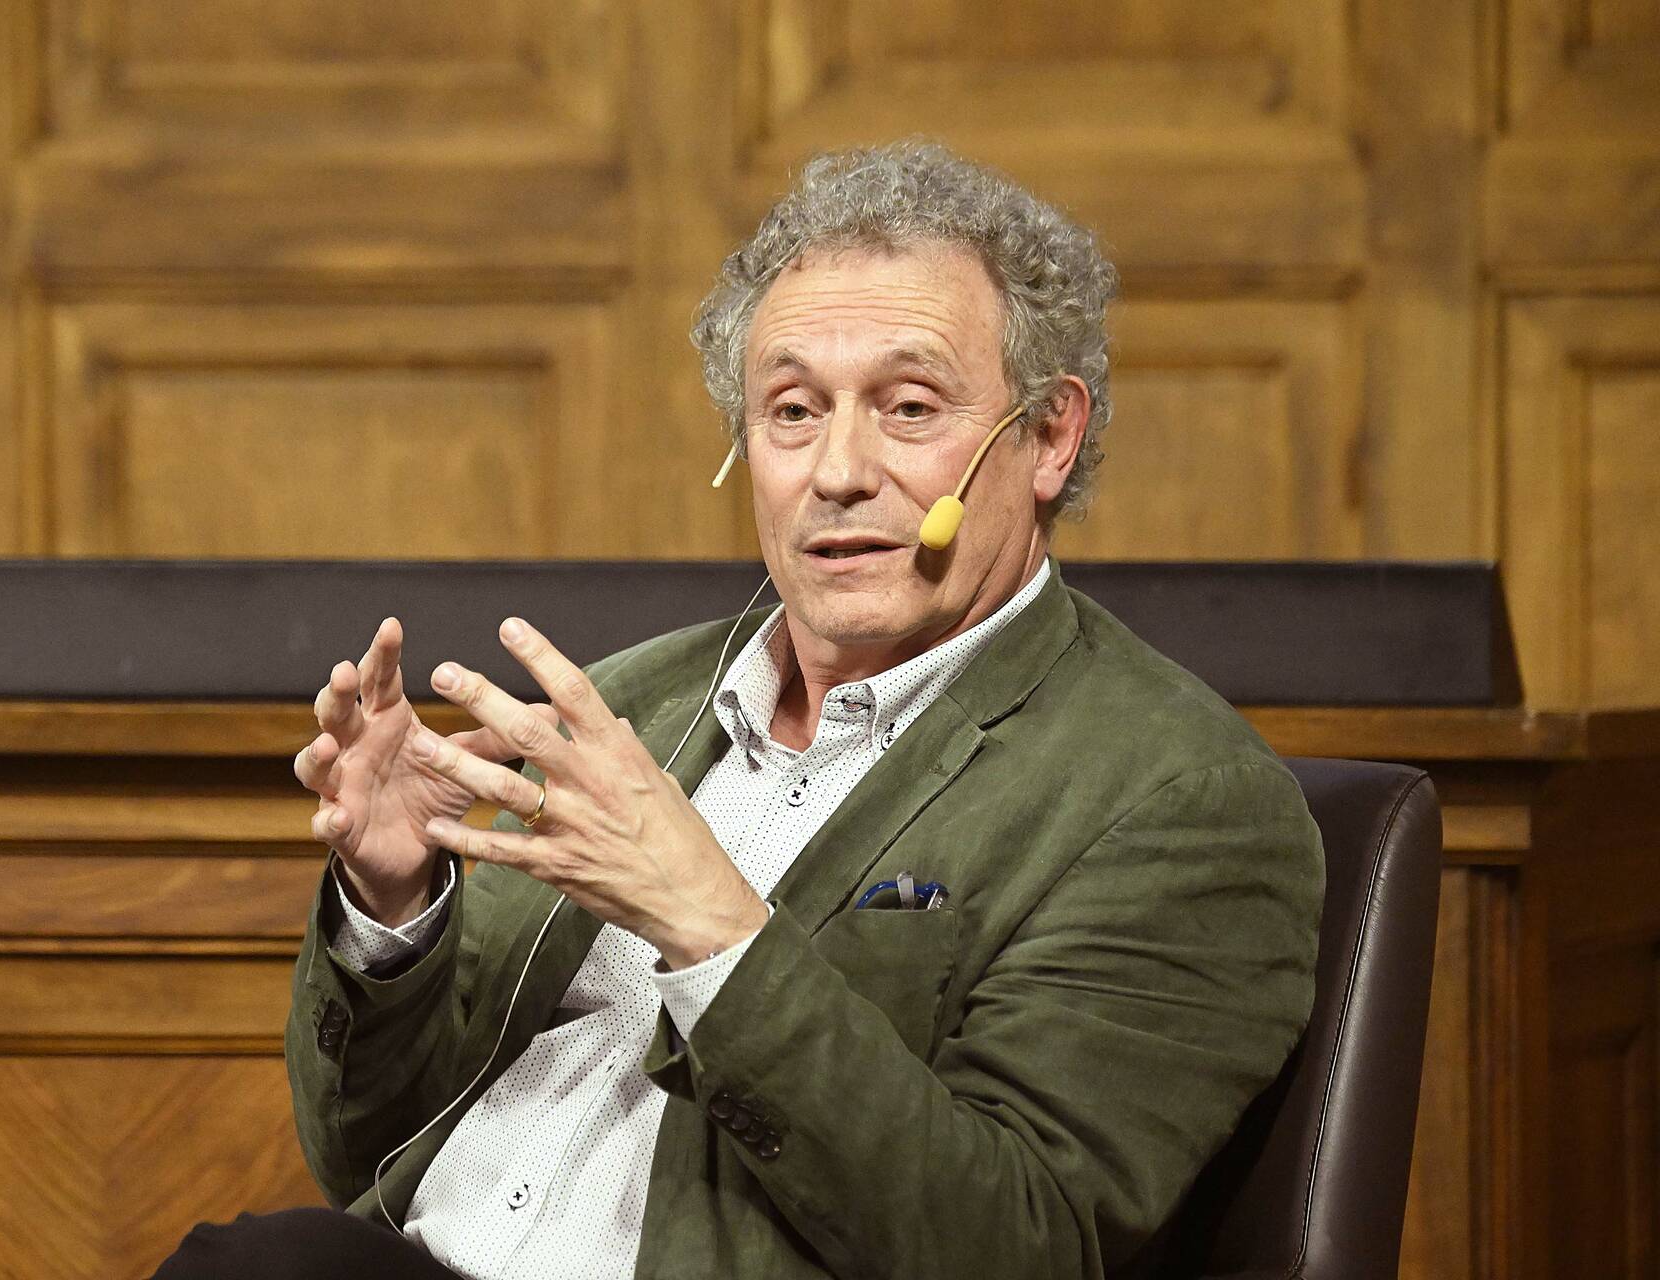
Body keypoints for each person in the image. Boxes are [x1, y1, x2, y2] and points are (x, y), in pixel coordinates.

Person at [153, 139, 1324, 1280]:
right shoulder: (631, 705)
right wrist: (396, 907)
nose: (838, 472)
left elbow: (1014, 1240)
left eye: (910, 407)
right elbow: (364, 1151)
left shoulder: (1180, 802)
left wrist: (711, 927)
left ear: (1050, 434)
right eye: (793, 411)